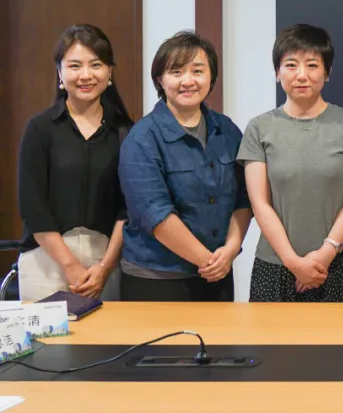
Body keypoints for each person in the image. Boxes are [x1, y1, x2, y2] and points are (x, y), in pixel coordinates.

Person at [238, 24, 343, 302]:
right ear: (277, 72)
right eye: (290, 65)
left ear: (327, 72)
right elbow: (260, 203)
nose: (301, 75)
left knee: (342, 333)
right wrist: (293, 262)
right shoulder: (259, 128)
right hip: (276, 265)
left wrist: (326, 253)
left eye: (312, 65)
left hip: (337, 264)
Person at [118, 31, 252, 301]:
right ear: (160, 79)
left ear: (211, 76)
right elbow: (154, 214)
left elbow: (243, 198)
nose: (188, 81)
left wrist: (230, 250)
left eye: (198, 71)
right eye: (176, 72)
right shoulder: (142, 138)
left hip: (217, 273)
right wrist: (208, 261)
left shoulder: (226, 130)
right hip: (157, 277)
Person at [16, 24, 134, 301]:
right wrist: (70, 266)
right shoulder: (40, 129)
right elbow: (33, 207)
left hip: (106, 262)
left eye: (96, 64)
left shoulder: (127, 132)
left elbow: (128, 208)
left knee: (107, 332)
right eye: (74, 66)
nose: (85, 75)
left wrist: (104, 267)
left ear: (109, 72)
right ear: (60, 72)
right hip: (45, 261)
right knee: (49, 332)